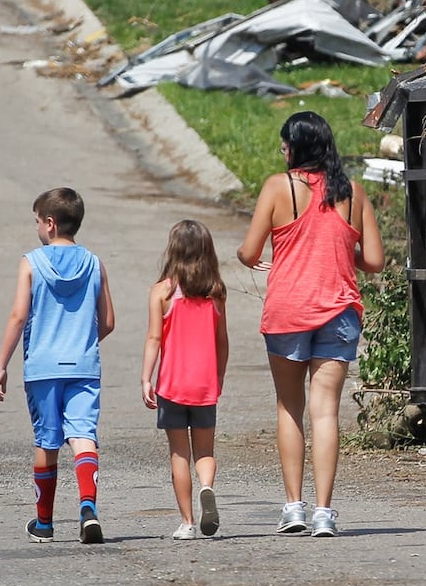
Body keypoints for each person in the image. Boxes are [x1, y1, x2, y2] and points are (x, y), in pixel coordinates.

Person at [238, 111, 384, 538]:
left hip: (288, 311)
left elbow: (250, 252)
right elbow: (373, 261)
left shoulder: (277, 188)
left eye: (285, 145)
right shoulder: (353, 194)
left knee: (289, 407)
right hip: (338, 312)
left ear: (296, 148)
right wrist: (340, 250)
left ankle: (293, 507)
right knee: (326, 413)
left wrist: (256, 258)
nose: (282, 152)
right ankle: (324, 511)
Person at [0, 188, 115, 544]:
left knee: (47, 440)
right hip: (83, 366)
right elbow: (107, 322)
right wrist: (83, 344)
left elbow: (18, 316)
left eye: (36, 221)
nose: (35, 228)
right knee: (83, 436)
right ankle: (87, 506)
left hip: (43, 369)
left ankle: (44, 523)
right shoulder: (95, 263)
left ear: (49, 224)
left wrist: (2, 364)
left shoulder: (31, 263)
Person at [140, 220, 230, 541]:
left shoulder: (162, 292)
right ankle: (207, 486)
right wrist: (218, 376)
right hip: (205, 386)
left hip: (172, 386)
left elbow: (154, 338)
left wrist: (146, 378)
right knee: (204, 452)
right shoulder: (216, 293)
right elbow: (222, 341)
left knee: (180, 454)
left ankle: (188, 522)